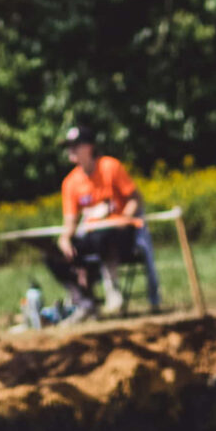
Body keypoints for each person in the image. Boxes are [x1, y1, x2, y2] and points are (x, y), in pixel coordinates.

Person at [46, 126, 160, 317]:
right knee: (53, 255)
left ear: (89, 147)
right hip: (93, 235)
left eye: (75, 145)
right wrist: (64, 239)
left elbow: (134, 198)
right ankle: (84, 300)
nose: (70, 150)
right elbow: (71, 222)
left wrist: (125, 217)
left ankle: (112, 290)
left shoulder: (110, 166)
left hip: (121, 233)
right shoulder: (70, 182)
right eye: (68, 146)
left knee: (103, 236)